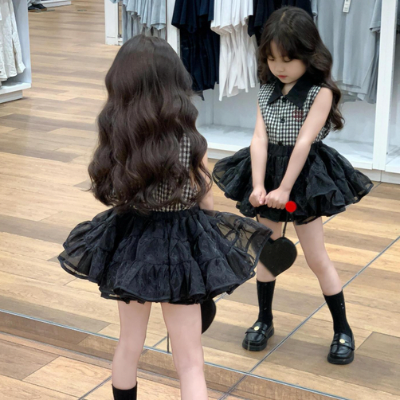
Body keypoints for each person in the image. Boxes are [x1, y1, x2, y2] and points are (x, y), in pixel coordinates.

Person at [57, 35, 273, 400]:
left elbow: (112, 189)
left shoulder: (118, 135)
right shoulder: (186, 138)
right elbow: (205, 194)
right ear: (174, 83)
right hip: (181, 246)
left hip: (131, 242)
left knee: (129, 343)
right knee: (190, 361)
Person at [213, 7, 373, 365]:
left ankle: (343, 329)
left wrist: (284, 189)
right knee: (267, 250)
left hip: (303, 180)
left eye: (287, 59)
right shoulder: (267, 89)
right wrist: (257, 184)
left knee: (316, 257)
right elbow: (259, 137)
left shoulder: (320, 93)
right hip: (268, 173)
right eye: (271, 59)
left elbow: (303, 143)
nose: (278, 67)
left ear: (308, 54)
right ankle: (264, 319)